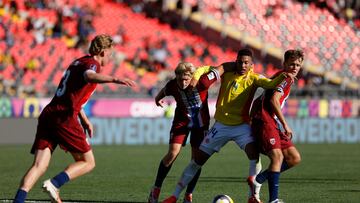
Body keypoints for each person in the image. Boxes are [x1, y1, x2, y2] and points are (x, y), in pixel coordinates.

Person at [13, 34, 136, 203]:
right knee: (88, 162)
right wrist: (115, 79)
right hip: (63, 118)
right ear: (102, 51)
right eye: (110, 53)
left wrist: (84, 119)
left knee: (39, 165)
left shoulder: (78, 61)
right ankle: (54, 183)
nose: (111, 57)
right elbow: (89, 76)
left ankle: (18, 200)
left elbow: (72, 96)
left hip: (49, 114)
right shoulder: (91, 64)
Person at [162, 48, 289, 203]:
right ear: (236, 61)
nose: (243, 65)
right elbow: (206, 68)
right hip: (220, 126)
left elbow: (270, 84)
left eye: (246, 63)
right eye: (240, 62)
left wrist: (284, 75)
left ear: (251, 65)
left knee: (253, 155)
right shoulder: (226, 72)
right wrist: (196, 75)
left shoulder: (255, 79)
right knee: (197, 160)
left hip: (242, 126)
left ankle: (253, 196)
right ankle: (174, 195)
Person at [148, 62, 219, 203]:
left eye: (186, 79)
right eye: (180, 79)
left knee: (196, 160)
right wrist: (157, 99)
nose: (183, 82)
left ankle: (188, 194)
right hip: (182, 122)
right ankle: (156, 189)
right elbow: (164, 91)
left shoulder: (203, 82)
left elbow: (218, 69)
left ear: (192, 77)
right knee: (173, 153)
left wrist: (204, 69)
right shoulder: (173, 85)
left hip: (201, 125)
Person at [250, 50, 304, 203]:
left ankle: (259, 178)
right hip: (265, 120)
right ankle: (273, 200)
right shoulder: (285, 78)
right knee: (277, 157)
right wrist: (285, 124)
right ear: (285, 64)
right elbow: (274, 100)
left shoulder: (282, 76)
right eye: (291, 64)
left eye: (298, 65)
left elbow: (260, 99)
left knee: (294, 158)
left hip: (270, 121)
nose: (294, 67)